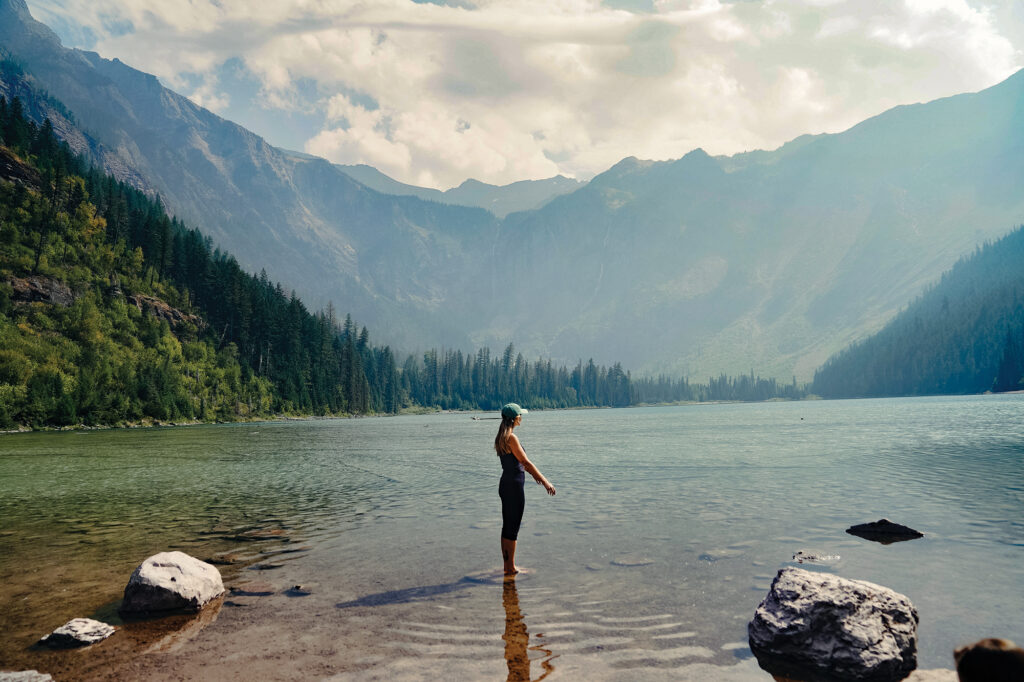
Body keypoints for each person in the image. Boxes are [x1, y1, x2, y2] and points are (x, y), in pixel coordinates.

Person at [495, 402, 555, 576]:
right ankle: (511, 568)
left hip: (505, 484)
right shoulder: (512, 438)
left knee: (507, 526)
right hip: (513, 486)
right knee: (512, 528)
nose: (522, 417)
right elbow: (526, 463)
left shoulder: (501, 436)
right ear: (515, 418)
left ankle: (507, 566)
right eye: (520, 415)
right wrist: (545, 482)